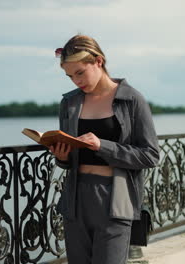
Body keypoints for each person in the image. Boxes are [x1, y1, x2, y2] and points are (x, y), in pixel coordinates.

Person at [49, 34, 159, 264]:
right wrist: (62, 158)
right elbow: (70, 157)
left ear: (98, 61)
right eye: (70, 76)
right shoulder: (69, 104)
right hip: (76, 198)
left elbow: (150, 154)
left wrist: (104, 146)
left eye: (80, 72)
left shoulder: (132, 100)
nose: (76, 81)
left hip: (114, 199)